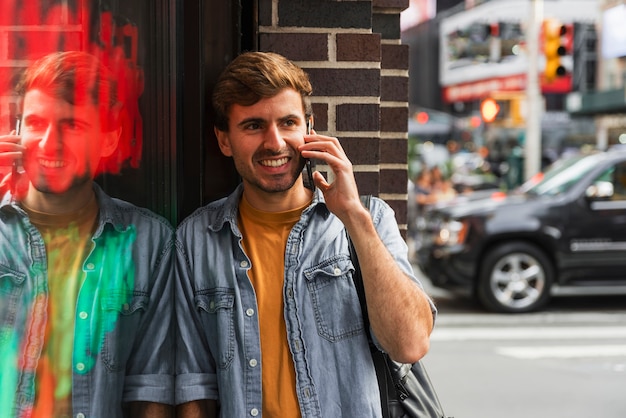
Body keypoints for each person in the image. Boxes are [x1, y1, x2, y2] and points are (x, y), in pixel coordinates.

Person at [175, 51, 436, 417]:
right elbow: (194, 382)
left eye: (288, 123)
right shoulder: (197, 239)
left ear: (309, 130)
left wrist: (353, 217)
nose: (275, 143)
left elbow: (409, 344)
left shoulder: (370, 219)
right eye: (253, 126)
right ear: (224, 140)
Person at [0, 51, 175, 418]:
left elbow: (151, 387)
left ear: (109, 139)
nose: (48, 143)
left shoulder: (148, 242)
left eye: (72, 125)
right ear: (16, 131)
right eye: (35, 123)